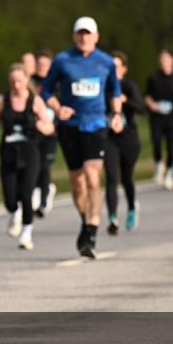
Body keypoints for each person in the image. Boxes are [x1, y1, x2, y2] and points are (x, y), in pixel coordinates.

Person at [40, 17, 123, 259]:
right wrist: (57, 108)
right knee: (77, 182)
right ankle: (86, 221)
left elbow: (114, 92)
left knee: (93, 177)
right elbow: (46, 90)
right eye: (80, 33)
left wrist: (116, 114)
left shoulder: (106, 62)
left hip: (96, 124)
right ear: (74, 35)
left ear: (96, 36)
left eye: (88, 34)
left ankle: (91, 231)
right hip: (70, 126)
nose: (83, 38)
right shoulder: (63, 60)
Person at [0, 64, 54, 249]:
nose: (16, 85)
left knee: (26, 194)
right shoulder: (4, 100)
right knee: (10, 198)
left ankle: (26, 233)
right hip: (9, 152)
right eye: (13, 81)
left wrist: (42, 127)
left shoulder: (36, 101)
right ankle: (14, 212)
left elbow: (49, 126)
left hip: (30, 152)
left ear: (26, 80)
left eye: (19, 80)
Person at [104, 51, 145, 234]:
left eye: (117, 66)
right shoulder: (103, 87)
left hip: (128, 138)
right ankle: (112, 217)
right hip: (108, 137)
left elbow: (142, 108)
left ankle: (131, 208)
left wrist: (125, 100)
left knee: (126, 177)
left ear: (124, 69)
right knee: (111, 176)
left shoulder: (128, 85)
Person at [145, 50, 173, 190]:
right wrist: (152, 105)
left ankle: (169, 174)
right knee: (156, 142)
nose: (164, 62)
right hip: (156, 117)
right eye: (162, 59)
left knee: (170, 145)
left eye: (166, 59)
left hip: (171, 117)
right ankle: (159, 164)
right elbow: (146, 96)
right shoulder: (153, 78)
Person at [31, 50, 58, 217]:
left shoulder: (57, 82)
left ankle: (44, 198)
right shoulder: (31, 82)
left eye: (45, 64)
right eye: (39, 64)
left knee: (44, 165)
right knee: (34, 164)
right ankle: (37, 193)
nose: (41, 67)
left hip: (51, 131)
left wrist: (53, 125)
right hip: (34, 130)